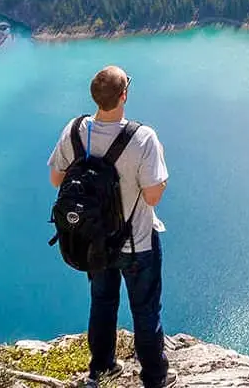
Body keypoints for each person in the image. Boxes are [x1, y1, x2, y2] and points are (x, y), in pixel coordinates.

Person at [48, 66, 170, 387]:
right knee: (145, 311)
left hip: (94, 240)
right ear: (124, 95)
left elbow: (56, 179)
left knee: (102, 303)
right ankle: (155, 378)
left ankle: (101, 369)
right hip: (136, 244)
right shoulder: (143, 138)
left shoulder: (75, 131)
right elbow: (153, 196)